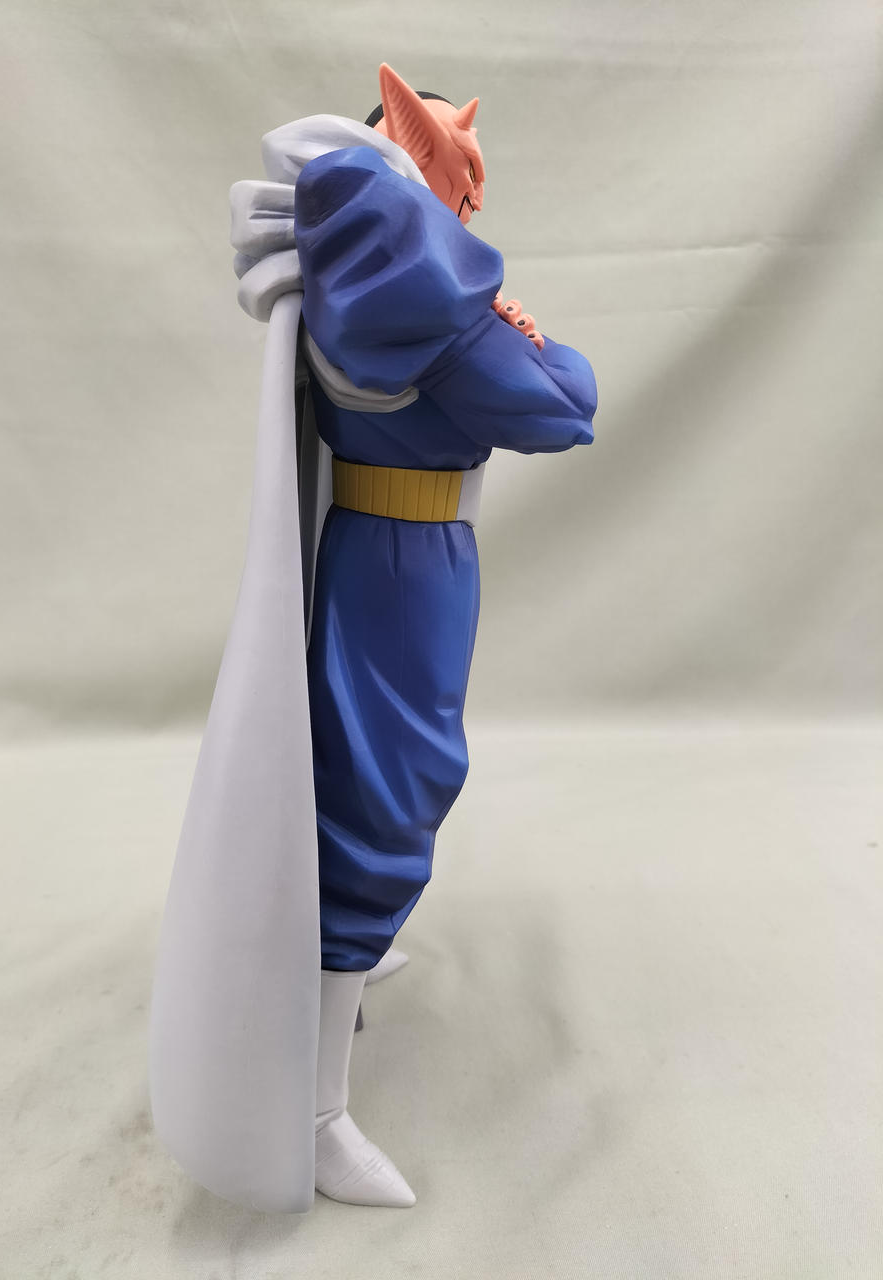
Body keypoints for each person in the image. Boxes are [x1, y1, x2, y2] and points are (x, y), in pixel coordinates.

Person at [149, 63, 596, 1214]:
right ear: (406, 146)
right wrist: (512, 319)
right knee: (391, 790)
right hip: (401, 562)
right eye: (454, 158)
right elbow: (563, 402)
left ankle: (345, 942)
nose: (470, 186)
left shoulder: (391, 263)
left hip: (402, 552)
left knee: (376, 777)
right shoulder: (400, 278)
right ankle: (310, 1110)